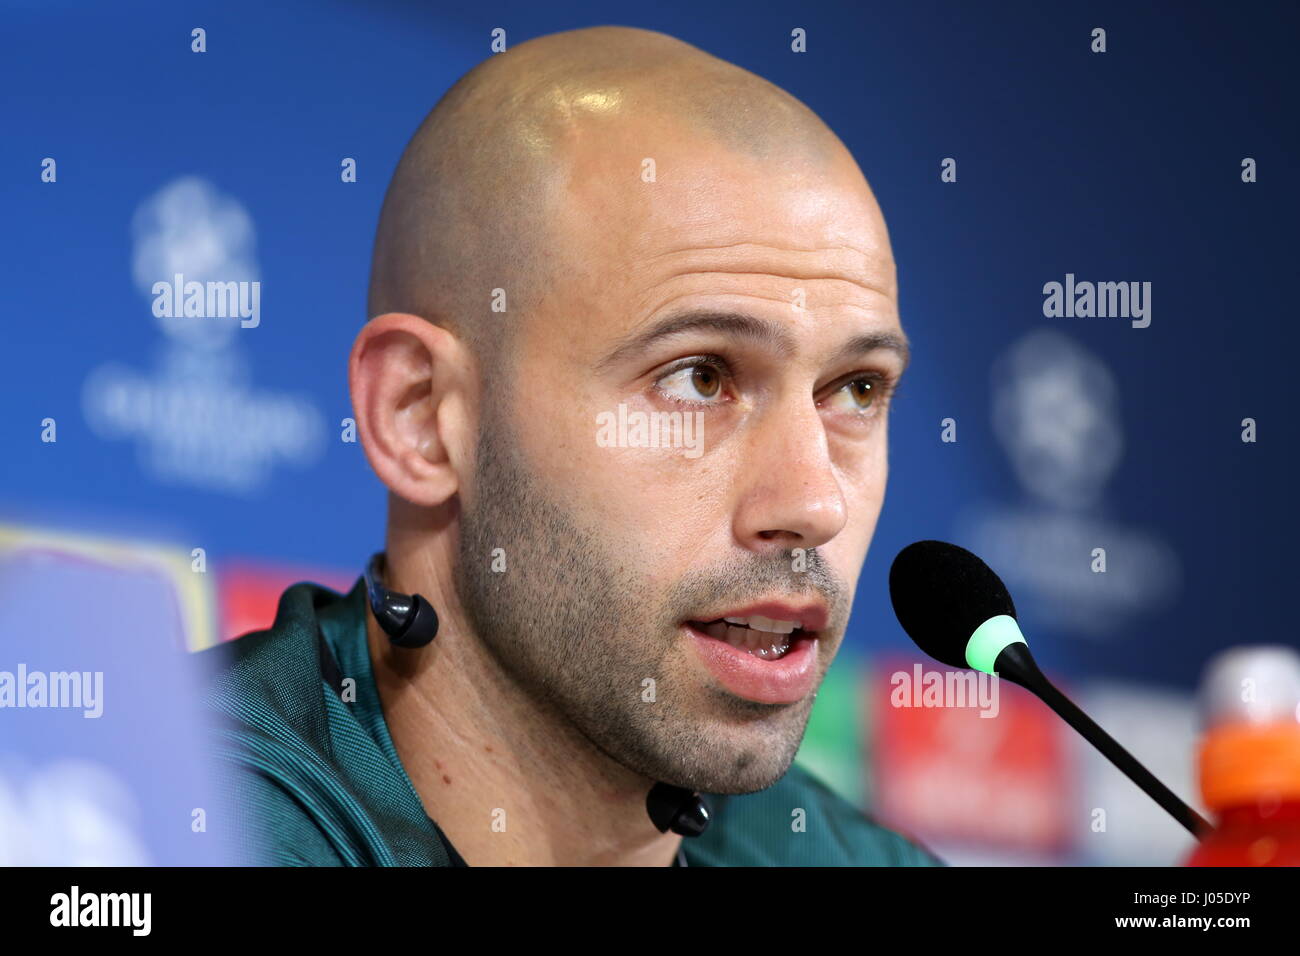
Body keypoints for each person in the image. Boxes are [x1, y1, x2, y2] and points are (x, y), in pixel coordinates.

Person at [198, 24, 942, 867]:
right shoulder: (151, 822)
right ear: (421, 416)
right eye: (699, 378)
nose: (814, 504)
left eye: (856, 390)